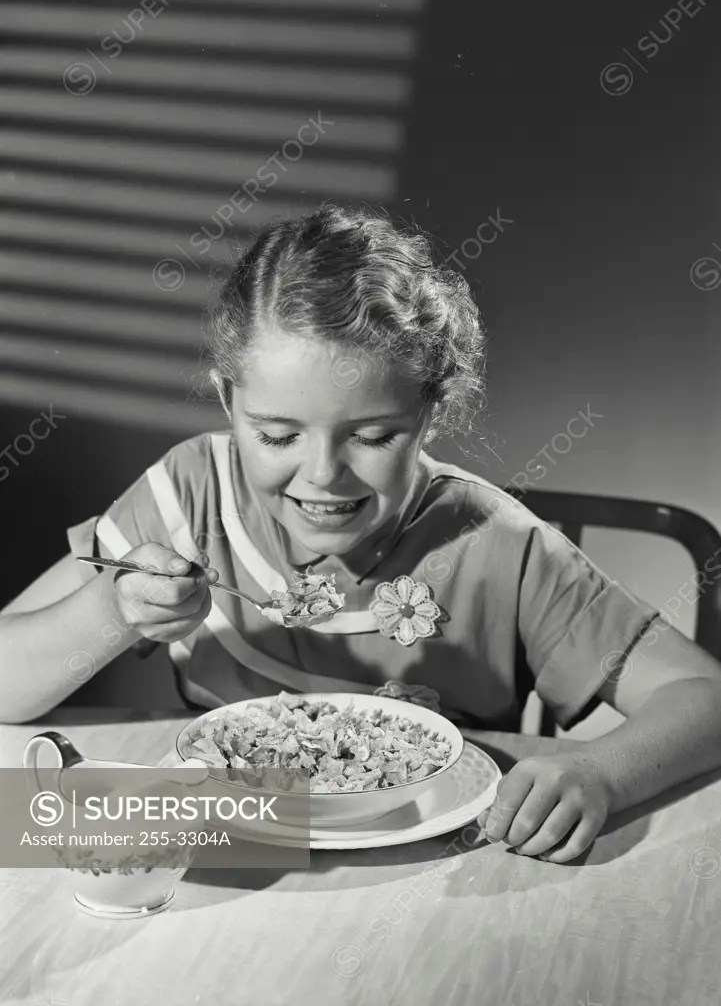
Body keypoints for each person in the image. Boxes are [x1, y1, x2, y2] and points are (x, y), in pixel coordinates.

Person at [3, 203, 721, 863]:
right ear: (228, 400)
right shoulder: (189, 495)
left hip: (438, 868)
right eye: (276, 435)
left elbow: (704, 698)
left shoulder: (499, 546)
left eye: (373, 436)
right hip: (227, 853)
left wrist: (599, 772)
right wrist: (114, 609)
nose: (323, 475)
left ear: (431, 411)